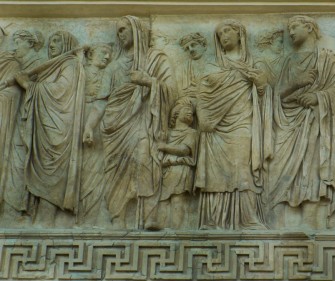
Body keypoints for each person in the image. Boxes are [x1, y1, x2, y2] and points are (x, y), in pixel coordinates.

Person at [84, 16, 178, 229]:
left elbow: (172, 91)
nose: (120, 34)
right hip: (115, 126)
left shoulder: (156, 60)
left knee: (146, 160)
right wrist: (89, 126)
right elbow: (101, 101)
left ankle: (149, 216)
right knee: (116, 169)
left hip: (144, 122)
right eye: (118, 31)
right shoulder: (113, 68)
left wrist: (148, 81)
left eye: (124, 29)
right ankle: (118, 218)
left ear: (137, 30)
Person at [267, 15, 335, 230]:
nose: (290, 32)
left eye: (294, 27)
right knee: (281, 172)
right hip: (287, 124)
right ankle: (280, 226)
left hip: (315, 123)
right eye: (288, 28)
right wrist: (297, 84)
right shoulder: (288, 61)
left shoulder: (328, 59)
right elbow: (277, 95)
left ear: (309, 27)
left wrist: (318, 97)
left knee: (312, 171)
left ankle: (311, 224)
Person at [195, 19, 269, 230]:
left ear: (239, 33)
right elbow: (201, 94)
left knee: (241, 167)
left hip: (242, 122)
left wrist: (261, 85)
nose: (223, 36)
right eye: (220, 34)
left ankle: (248, 218)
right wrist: (203, 119)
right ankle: (214, 220)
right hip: (213, 127)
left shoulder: (254, 65)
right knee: (215, 173)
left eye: (227, 31)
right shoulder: (212, 65)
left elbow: (264, 98)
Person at [14, 30, 85, 227]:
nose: (51, 44)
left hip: (59, 130)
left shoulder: (70, 64)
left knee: (50, 170)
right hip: (44, 127)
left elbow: (60, 92)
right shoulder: (52, 66)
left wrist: (29, 85)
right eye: (50, 41)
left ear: (67, 44)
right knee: (38, 167)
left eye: (56, 41)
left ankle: (46, 220)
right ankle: (35, 216)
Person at [0, 29, 44, 226]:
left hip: (29, 123)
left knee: (21, 164)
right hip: (15, 121)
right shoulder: (16, 63)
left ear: (29, 43)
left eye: (17, 42)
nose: (14, 46)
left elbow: (43, 93)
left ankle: (21, 209)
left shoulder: (38, 62)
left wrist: (21, 84)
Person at [149, 100, 198, 230]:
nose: (190, 114)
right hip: (166, 169)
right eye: (186, 110)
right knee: (163, 199)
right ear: (176, 113)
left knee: (177, 198)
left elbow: (184, 150)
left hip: (181, 168)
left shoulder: (191, 133)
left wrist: (165, 147)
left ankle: (176, 227)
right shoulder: (168, 133)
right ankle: (162, 223)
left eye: (192, 113)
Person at [79, 43, 113, 227]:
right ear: (91, 54)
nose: (107, 57)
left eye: (109, 54)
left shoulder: (108, 75)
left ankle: (92, 215)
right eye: (103, 52)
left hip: (100, 122)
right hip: (78, 118)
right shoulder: (80, 71)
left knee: (95, 168)